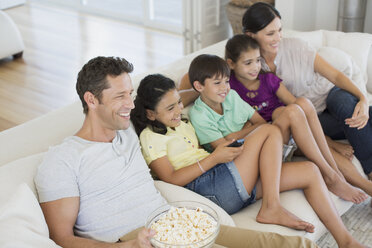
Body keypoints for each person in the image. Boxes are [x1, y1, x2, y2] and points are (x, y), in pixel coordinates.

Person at [34, 56, 318, 248]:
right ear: (91, 99)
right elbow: (62, 238)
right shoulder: (62, 159)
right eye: (119, 96)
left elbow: (177, 95)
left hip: (176, 219)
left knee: (278, 243)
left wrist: (202, 82)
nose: (129, 104)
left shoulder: (129, 130)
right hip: (132, 238)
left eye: (129, 94)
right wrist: (129, 246)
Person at [130, 71, 365, 248]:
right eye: (170, 108)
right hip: (208, 188)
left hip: (225, 176)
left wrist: (198, 87)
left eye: (178, 103)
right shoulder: (150, 137)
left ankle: (346, 242)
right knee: (269, 130)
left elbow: (189, 89)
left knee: (310, 171)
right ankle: (271, 206)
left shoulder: (181, 121)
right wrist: (214, 158)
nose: (178, 110)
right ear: (150, 113)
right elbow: (170, 179)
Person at [225, 34, 371, 199]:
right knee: (282, 112)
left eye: (258, 60)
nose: (255, 67)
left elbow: (299, 108)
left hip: (291, 132)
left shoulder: (268, 80)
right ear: (231, 64)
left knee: (299, 105)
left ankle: (354, 182)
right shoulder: (227, 85)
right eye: (248, 63)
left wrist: (330, 143)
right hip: (269, 140)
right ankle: (333, 177)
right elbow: (200, 83)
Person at [241, 2, 372, 182]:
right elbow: (208, 73)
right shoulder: (248, 64)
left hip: (331, 96)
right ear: (251, 35)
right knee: (353, 120)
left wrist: (363, 99)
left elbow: (334, 75)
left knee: (346, 106)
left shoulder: (296, 46)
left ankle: (371, 171)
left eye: (280, 30)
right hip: (313, 117)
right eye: (270, 33)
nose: (278, 37)